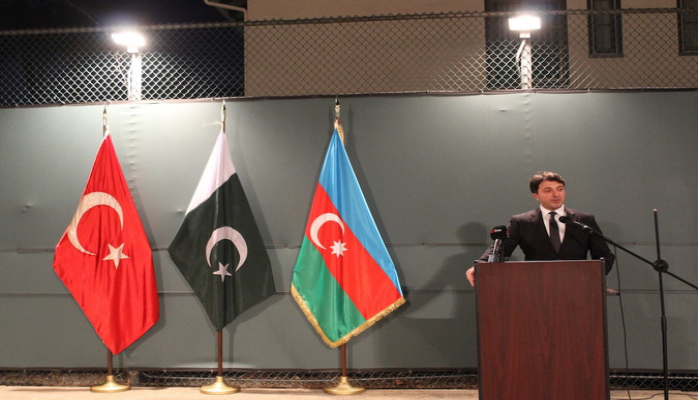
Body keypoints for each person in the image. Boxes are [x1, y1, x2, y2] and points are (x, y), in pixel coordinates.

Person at [466, 171, 614, 287]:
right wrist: (479, 267)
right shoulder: (522, 222)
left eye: (560, 189)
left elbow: (604, 254)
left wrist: (592, 278)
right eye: (548, 190)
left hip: (577, 287)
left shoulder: (584, 220)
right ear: (536, 195)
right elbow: (500, 249)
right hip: (536, 288)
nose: (556, 194)